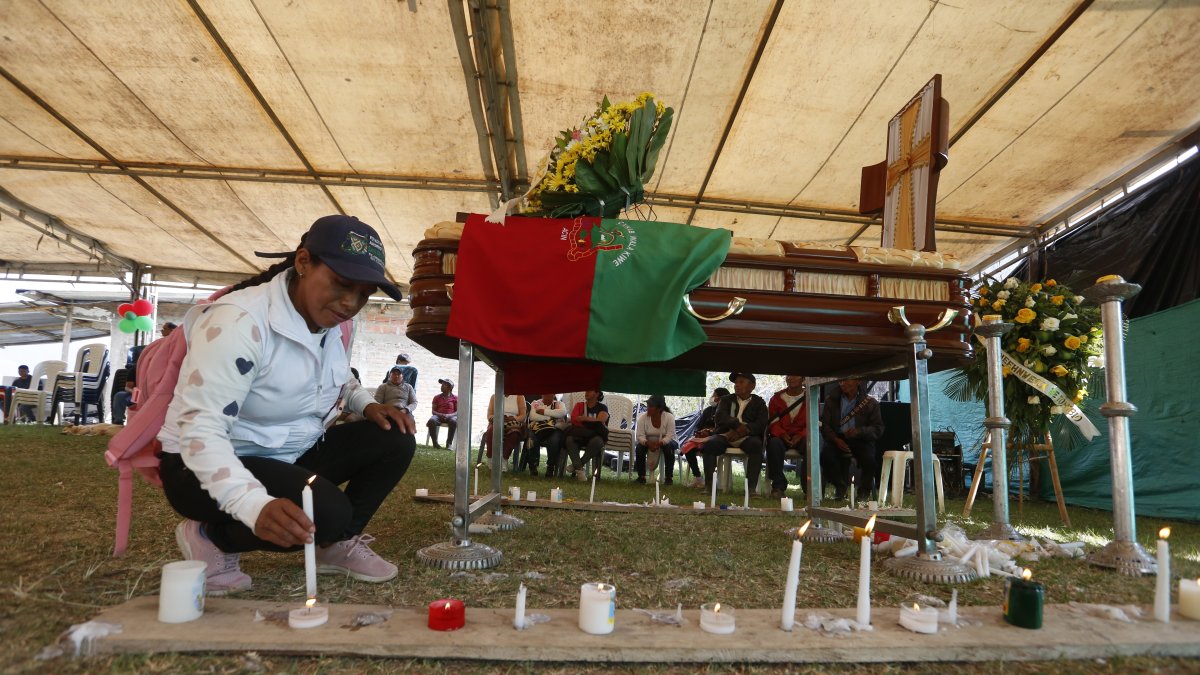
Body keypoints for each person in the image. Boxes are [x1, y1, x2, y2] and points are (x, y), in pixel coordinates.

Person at [157, 214, 415, 595]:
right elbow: (201, 432)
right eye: (342, 284)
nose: (351, 303)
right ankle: (211, 536)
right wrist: (252, 504)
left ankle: (334, 545)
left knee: (394, 438)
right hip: (198, 466)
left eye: (364, 294)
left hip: (286, 454)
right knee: (326, 512)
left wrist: (366, 405)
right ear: (303, 262)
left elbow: (338, 375)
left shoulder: (328, 322)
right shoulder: (238, 322)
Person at [701, 374, 768, 494]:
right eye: (736, 382)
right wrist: (736, 425)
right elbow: (720, 417)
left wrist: (744, 430)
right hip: (725, 434)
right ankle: (709, 485)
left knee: (756, 445)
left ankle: (750, 488)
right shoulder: (726, 399)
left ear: (752, 386)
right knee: (710, 444)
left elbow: (761, 423)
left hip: (747, 436)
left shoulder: (759, 402)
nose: (737, 385)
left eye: (741, 382)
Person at [819, 379, 884, 500]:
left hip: (861, 439)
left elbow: (878, 429)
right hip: (837, 438)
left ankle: (863, 492)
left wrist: (859, 431)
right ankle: (840, 486)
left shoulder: (870, 403)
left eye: (846, 380)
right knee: (826, 456)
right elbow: (825, 425)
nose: (842, 383)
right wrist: (836, 439)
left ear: (858, 381)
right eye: (840, 381)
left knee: (870, 460)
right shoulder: (831, 400)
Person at [765, 375, 808, 499]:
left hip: (802, 435)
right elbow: (773, 422)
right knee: (773, 444)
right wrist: (782, 434)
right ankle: (778, 486)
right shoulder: (776, 398)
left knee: (812, 445)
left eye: (795, 375)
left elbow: (813, 421)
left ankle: (809, 488)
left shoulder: (811, 396)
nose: (791, 378)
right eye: (788, 375)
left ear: (803, 379)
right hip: (782, 435)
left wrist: (801, 435)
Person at [677, 387, 729, 487]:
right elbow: (698, 426)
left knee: (709, 447)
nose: (712, 398)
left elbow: (724, 429)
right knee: (688, 448)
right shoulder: (708, 411)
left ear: (721, 398)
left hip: (717, 439)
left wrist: (711, 432)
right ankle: (698, 477)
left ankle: (712, 479)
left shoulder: (727, 411)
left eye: (714, 395)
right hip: (702, 438)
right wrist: (701, 432)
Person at [564, 390, 608, 481]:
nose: (586, 392)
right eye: (586, 391)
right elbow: (575, 419)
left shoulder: (602, 407)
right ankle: (580, 470)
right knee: (569, 439)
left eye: (590, 391)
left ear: (597, 394)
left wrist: (585, 418)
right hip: (580, 434)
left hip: (595, 436)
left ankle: (576, 465)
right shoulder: (579, 405)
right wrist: (593, 420)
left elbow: (602, 419)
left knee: (598, 442)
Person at [635, 394, 677, 484]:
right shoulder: (642, 418)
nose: (648, 408)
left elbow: (670, 435)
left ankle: (668, 478)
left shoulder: (669, 417)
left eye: (651, 406)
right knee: (639, 448)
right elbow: (640, 436)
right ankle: (641, 477)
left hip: (667, 441)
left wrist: (660, 443)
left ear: (659, 409)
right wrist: (647, 443)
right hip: (648, 441)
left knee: (669, 447)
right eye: (648, 406)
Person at [526, 393, 566, 476]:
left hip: (553, 429)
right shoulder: (535, 403)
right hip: (536, 428)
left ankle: (550, 466)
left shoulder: (559, 404)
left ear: (554, 395)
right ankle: (533, 464)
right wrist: (551, 417)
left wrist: (543, 411)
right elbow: (532, 416)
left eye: (550, 393)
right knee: (531, 438)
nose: (547, 395)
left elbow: (562, 413)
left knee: (554, 440)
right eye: (545, 393)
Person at [482, 393, 527, 462]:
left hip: (513, 421)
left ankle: (504, 459)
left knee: (514, 433)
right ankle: (491, 458)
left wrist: (513, 418)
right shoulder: (494, 397)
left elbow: (523, 416)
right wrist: (497, 418)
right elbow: (489, 415)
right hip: (497, 420)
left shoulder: (519, 396)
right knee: (491, 431)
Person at [426, 378, 458, 448]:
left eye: (444, 385)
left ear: (450, 388)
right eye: (442, 385)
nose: (441, 386)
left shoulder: (455, 398)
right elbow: (433, 411)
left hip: (451, 417)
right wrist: (441, 415)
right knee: (432, 420)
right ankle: (435, 443)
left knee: (453, 421)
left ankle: (449, 443)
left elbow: (457, 411)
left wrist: (449, 415)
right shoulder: (436, 397)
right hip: (439, 416)